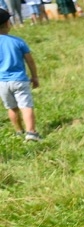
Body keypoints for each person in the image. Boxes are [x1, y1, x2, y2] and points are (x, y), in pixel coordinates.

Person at [0, 9, 41, 141]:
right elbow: (30, 60)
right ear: (8, 23)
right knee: (26, 106)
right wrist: (34, 76)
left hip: (2, 82)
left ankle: (18, 131)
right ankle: (31, 133)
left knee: (12, 108)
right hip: (20, 80)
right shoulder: (18, 41)